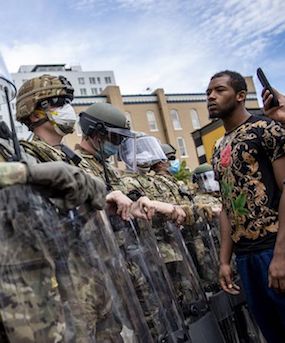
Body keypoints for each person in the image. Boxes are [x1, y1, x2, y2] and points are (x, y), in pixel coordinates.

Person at [208, 70, 285, 342]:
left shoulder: (267, 129)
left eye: (219, 90)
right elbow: (227, 205)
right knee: (271, 332)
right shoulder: (218, 147)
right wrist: (224, 260)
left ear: (241, 96)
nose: (211, 97)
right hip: (246, 257)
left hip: (273, 248)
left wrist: (280, 254)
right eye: (208, 93)